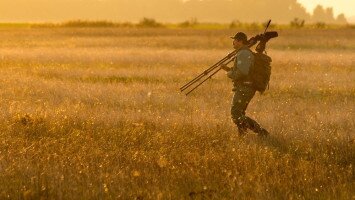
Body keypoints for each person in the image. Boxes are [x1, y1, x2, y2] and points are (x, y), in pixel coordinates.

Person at [221, 32, 269, 137]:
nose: (233, 42)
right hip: (245, 87)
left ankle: (261, 132)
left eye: (234, 40)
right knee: (240, 113)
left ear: (240, 41)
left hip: (245, 88)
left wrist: (229, 73)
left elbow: (242, 72)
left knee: (235, 114)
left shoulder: (243, 53)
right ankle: (242, 136)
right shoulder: (243, 52)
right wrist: (229, 69)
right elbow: (242, 71)